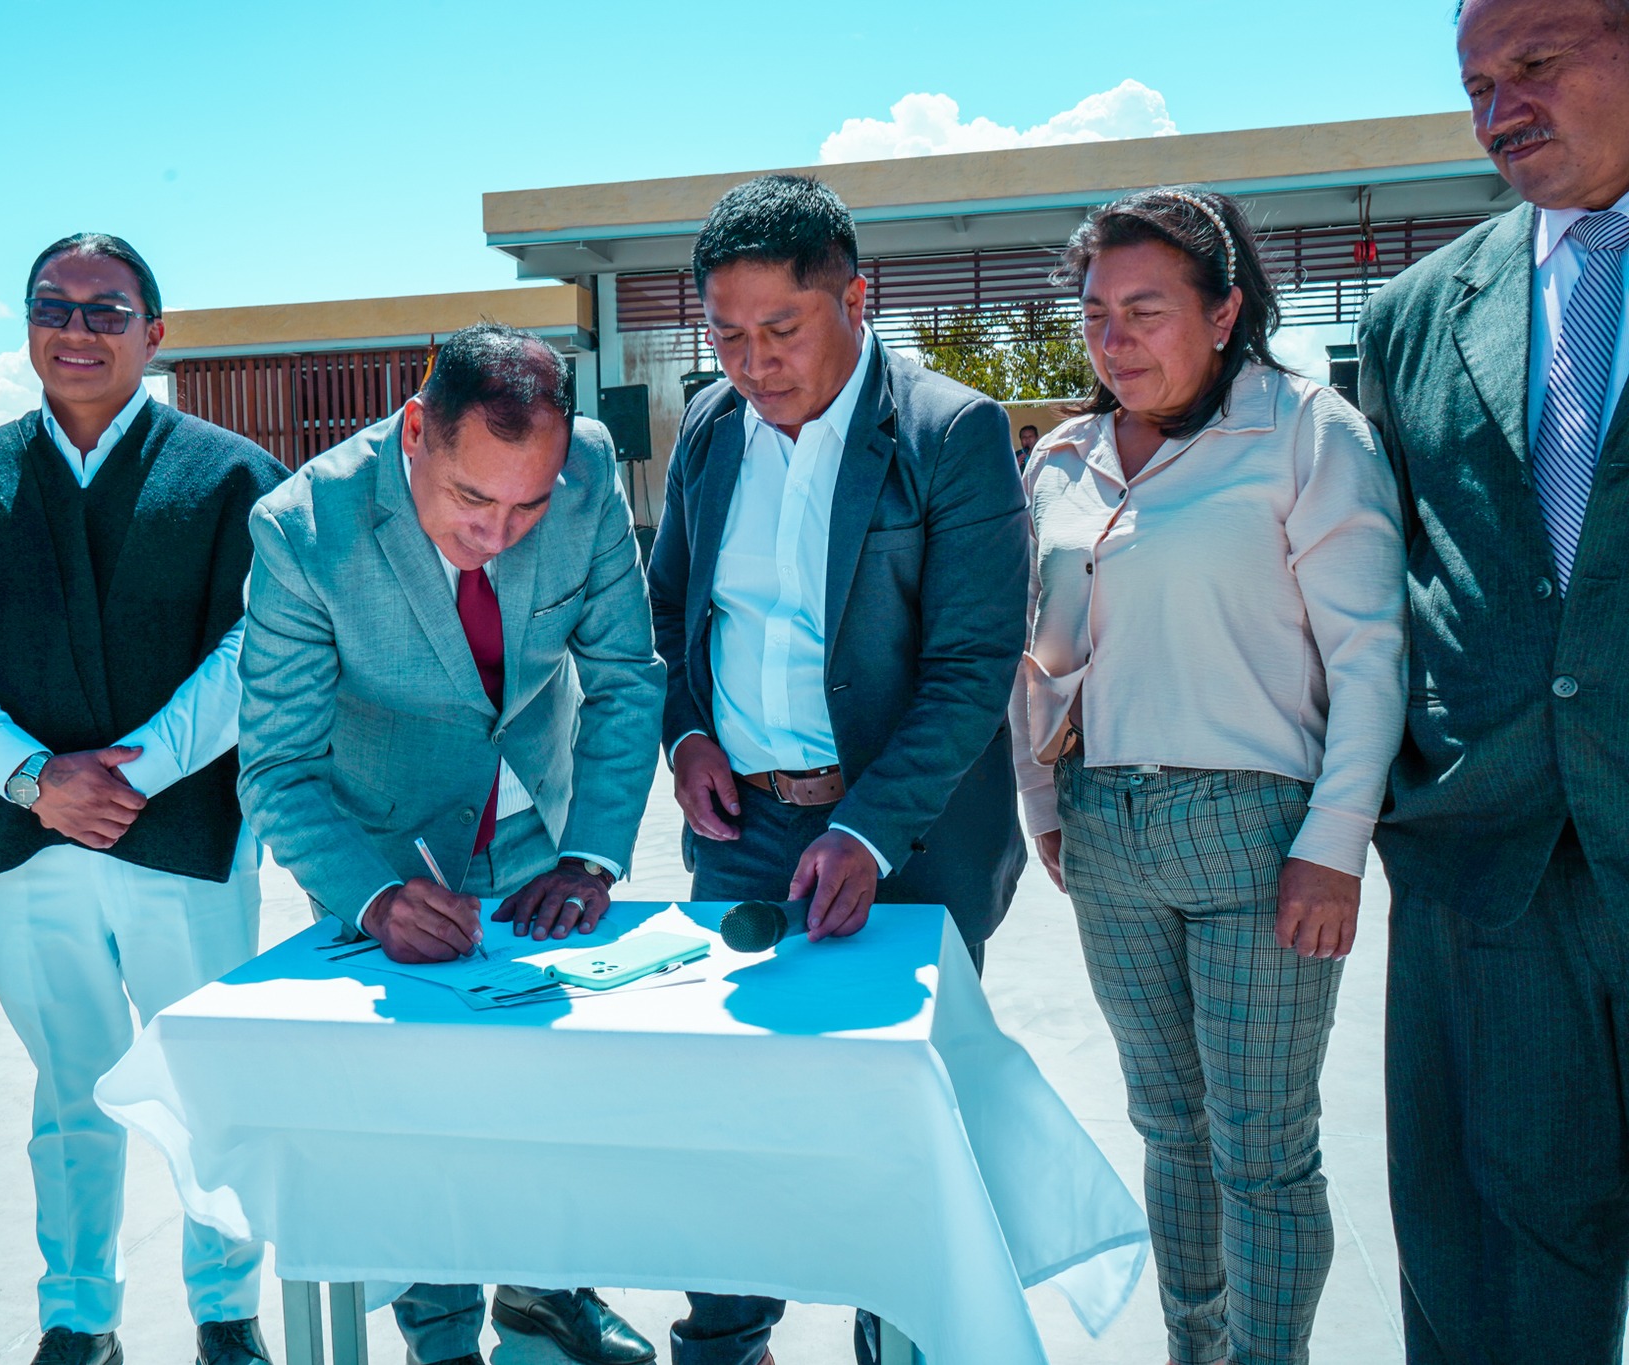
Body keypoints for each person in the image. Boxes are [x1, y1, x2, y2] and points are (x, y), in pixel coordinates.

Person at [0, 234, 288, 1365]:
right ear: (28, 325)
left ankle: (226, 1308)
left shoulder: (231, 477)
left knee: (205, 1080)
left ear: (156, 333)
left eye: (107, 310)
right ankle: (79, 1315)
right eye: (54, 306)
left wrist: (136, 769)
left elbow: (257, 645)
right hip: (26, 839)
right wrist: (35, 777)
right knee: (70, 1087)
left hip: (184, 836)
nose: (78, 329)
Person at [1014, 186, 1405, 1365]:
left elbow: (1369, 653)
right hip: (1106, 832)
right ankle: (1195, 1349)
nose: (1114, 339)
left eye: (1145, 311)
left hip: (1257, 837)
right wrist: (1044, 801)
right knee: (1168, 1131)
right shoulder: (1063, 459)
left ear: (1225, 312)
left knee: (1260, 1151)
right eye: (1096, 315)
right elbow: (1043, 654)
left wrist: (1333, 844)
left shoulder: (1305, 433)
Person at [645, 174, 1029, 1365]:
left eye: (779, 329)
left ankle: (894, 1338)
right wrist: (686, 737)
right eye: (724, 334)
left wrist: (861, 832)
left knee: (892, 1124)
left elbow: (971, 666)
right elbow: (669, 618)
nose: (751, 363)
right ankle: (724, 1342)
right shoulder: (708, 430)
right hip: (741, 836)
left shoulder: (950, 434)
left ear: (856, 299)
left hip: (902, 844)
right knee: (730, 1113)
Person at [238, 323, 663, 1365]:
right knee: (417, 1105)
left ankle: (547, 1290)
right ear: (416, 432)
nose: (500, 534)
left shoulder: (589, 468)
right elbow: (278, 768)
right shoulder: (303, 528)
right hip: (385, 852)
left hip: (542, 828)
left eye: (528, 507)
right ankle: (440, 1335)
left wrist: (593, 855)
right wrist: (372, 898)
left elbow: (623, 680)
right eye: (474, 500)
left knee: (553, 1081)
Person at [1357, 0, 1629, 1357]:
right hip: (1488, 870)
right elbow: (1381, 580)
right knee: (1494, 1276)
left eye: (1534, 63)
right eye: (1475, 85)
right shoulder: (1414, 316)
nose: (1498, 108)